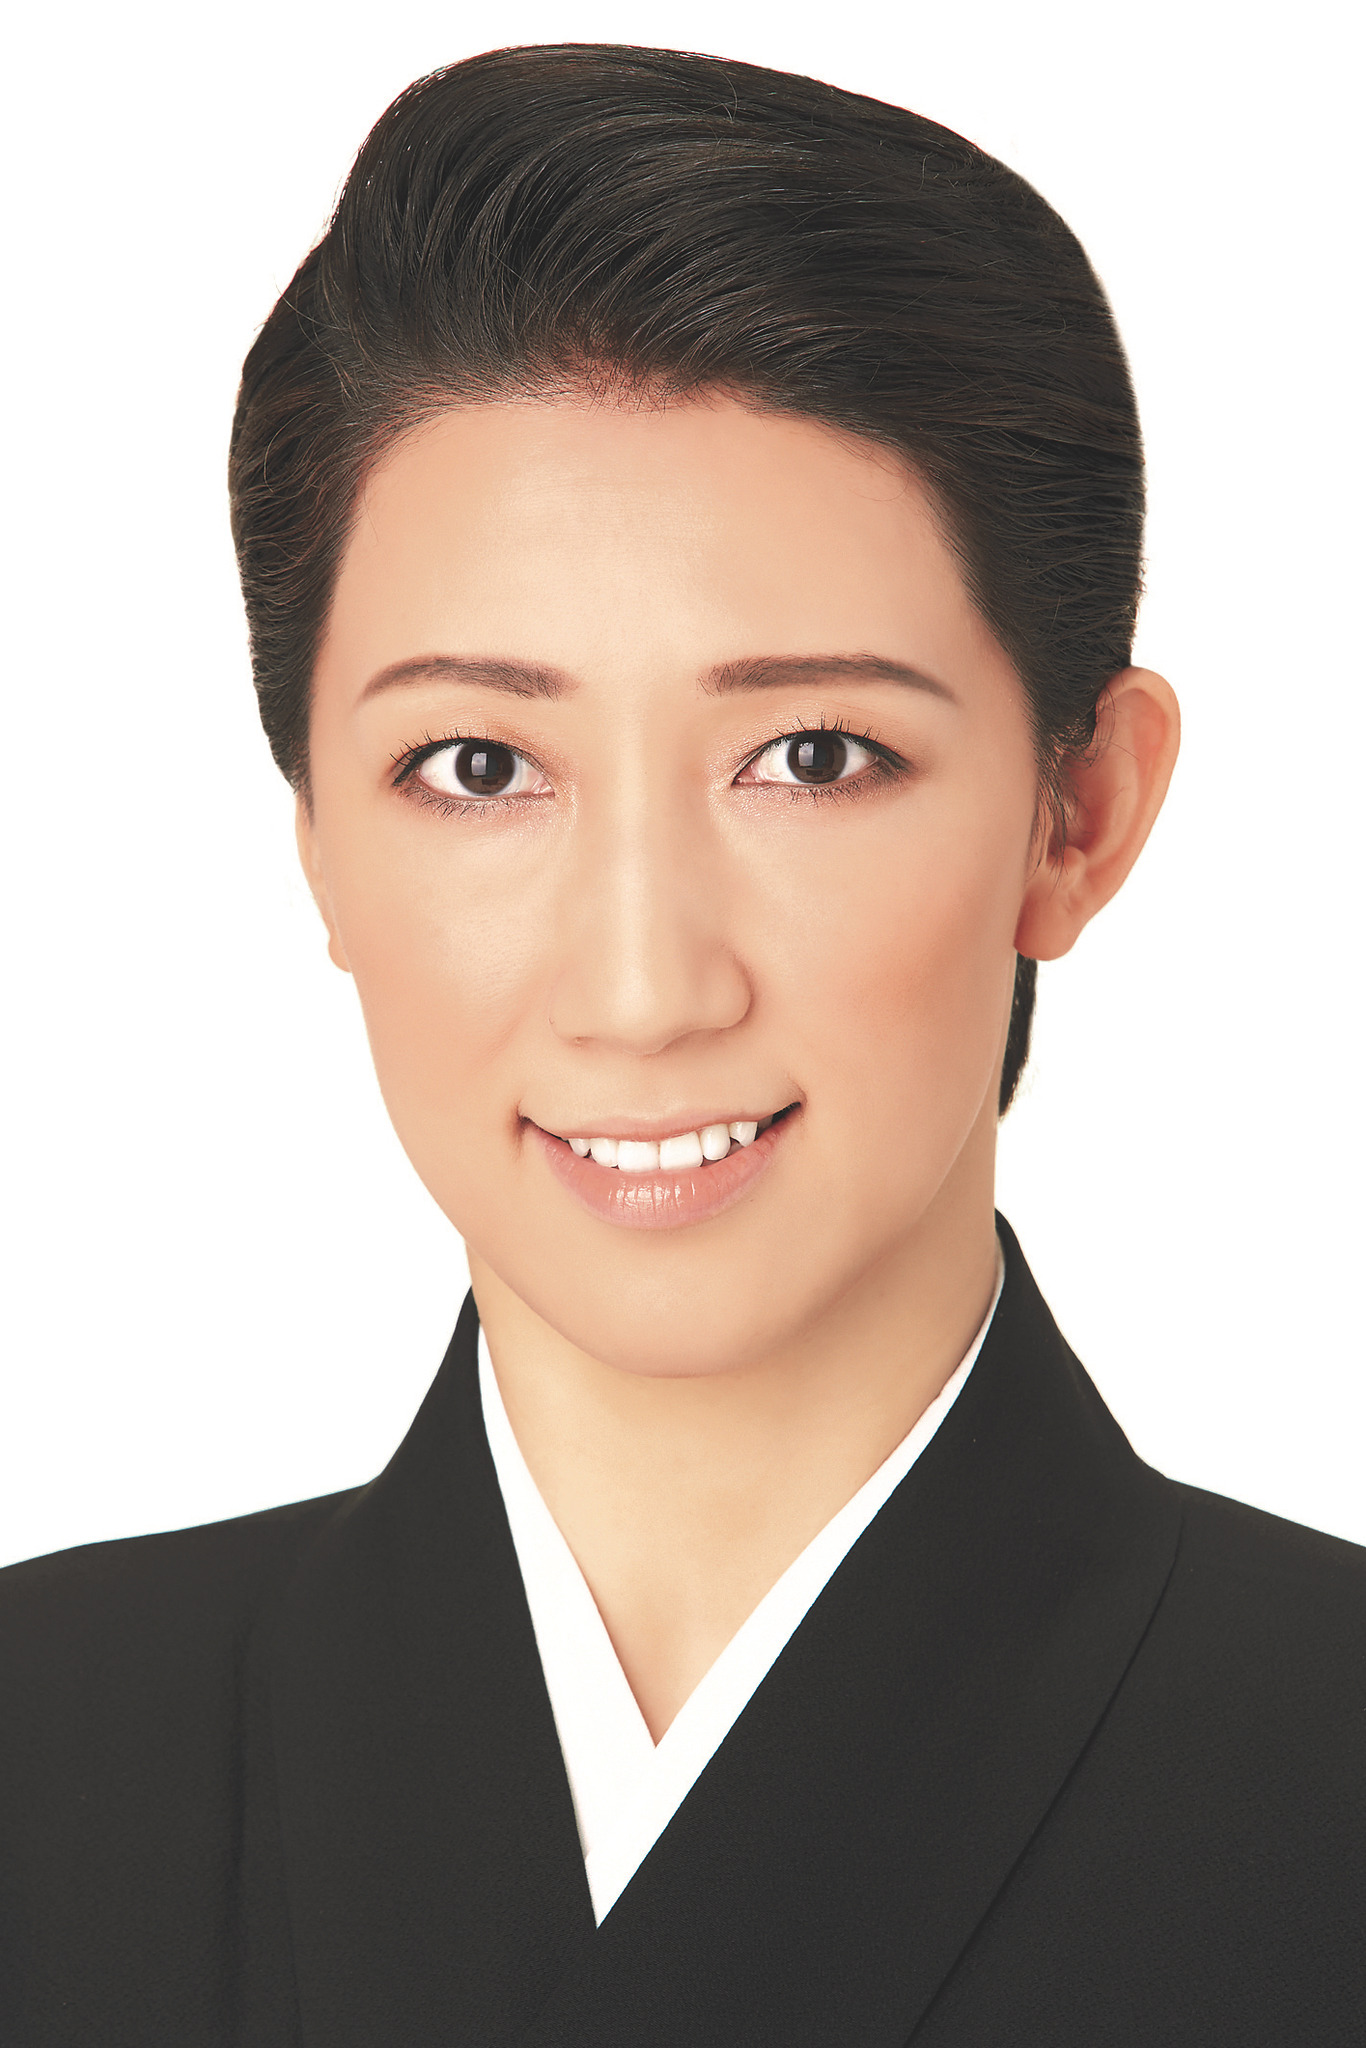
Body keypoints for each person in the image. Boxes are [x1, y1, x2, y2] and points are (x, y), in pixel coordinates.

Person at [1, 42, 1362, 2047]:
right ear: (317, 845)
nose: (641, 986)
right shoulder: (43, 1748)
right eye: (477, 766)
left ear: (1076, 813)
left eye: (810, 756)